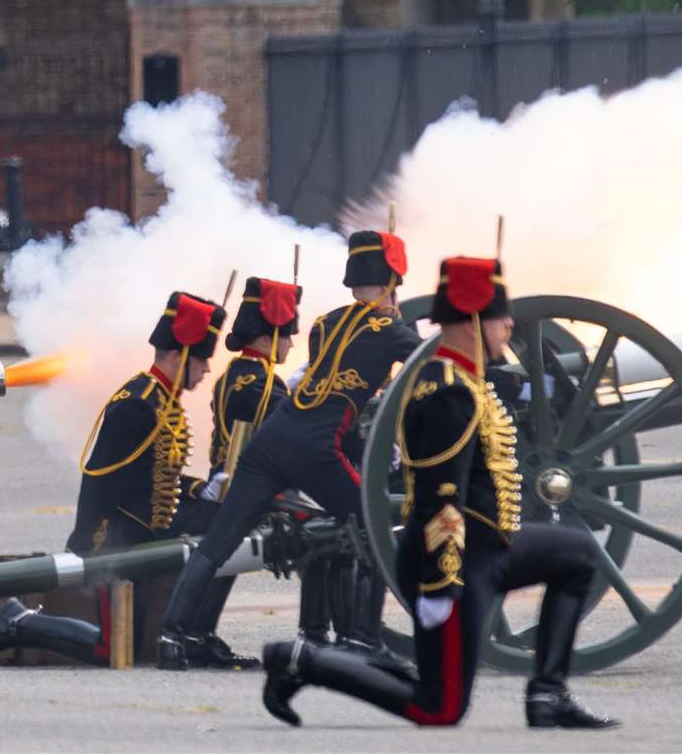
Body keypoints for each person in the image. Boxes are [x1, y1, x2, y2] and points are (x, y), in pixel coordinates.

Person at [258, 256, 619, 730]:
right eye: (499, 315)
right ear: (472, 321)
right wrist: (441, 585)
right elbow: (438, 499)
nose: (510, 324)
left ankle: (548, 694)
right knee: (439, 708)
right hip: (452, 563)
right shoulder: (446, 391)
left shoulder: (468, 381)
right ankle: (301, 661)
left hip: (491, 548)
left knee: (578, 554)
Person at [156, 230, 422, 674]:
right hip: (315, 449)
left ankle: (172, 636)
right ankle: (362, 638)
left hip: (270, 443)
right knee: (376, 526)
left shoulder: (324, 324)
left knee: (217, 544)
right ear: (394, 280)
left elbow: (328, 391)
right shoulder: (390, 329)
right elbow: (431, 367)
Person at [0, 291, 227, 667]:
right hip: (115, 543)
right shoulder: (136, 404)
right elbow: (99, 480)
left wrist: (202, 489)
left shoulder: (163, 399)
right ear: (178, 355)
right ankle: (18, 622)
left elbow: (156, 479)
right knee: (113, 649)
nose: (205, 371)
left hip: (144, 538)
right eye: (202, 361)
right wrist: (89, 545)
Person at [157, 275, 302, 671]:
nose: (290, 342)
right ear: (267, 335)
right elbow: (292, 435)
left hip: (232, 480)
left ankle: (198, 632)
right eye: (287, 333)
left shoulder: (241, 376)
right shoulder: (259, 384)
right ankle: (192, 632)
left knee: (226, 553)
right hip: (249, 486)